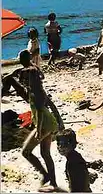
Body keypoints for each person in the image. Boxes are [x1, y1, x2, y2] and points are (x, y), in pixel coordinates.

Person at [16, 50, 64, 190]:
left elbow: (40, 110)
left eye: (24, 79)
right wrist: (59, 121)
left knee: (26, 152)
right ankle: (53, 183)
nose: (23, 81)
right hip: (49, 123)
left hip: (43, 124)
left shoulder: (34, 92)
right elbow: (50, 106)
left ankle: (45, 175)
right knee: (45, 154)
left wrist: (38, 129)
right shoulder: (39, 89)